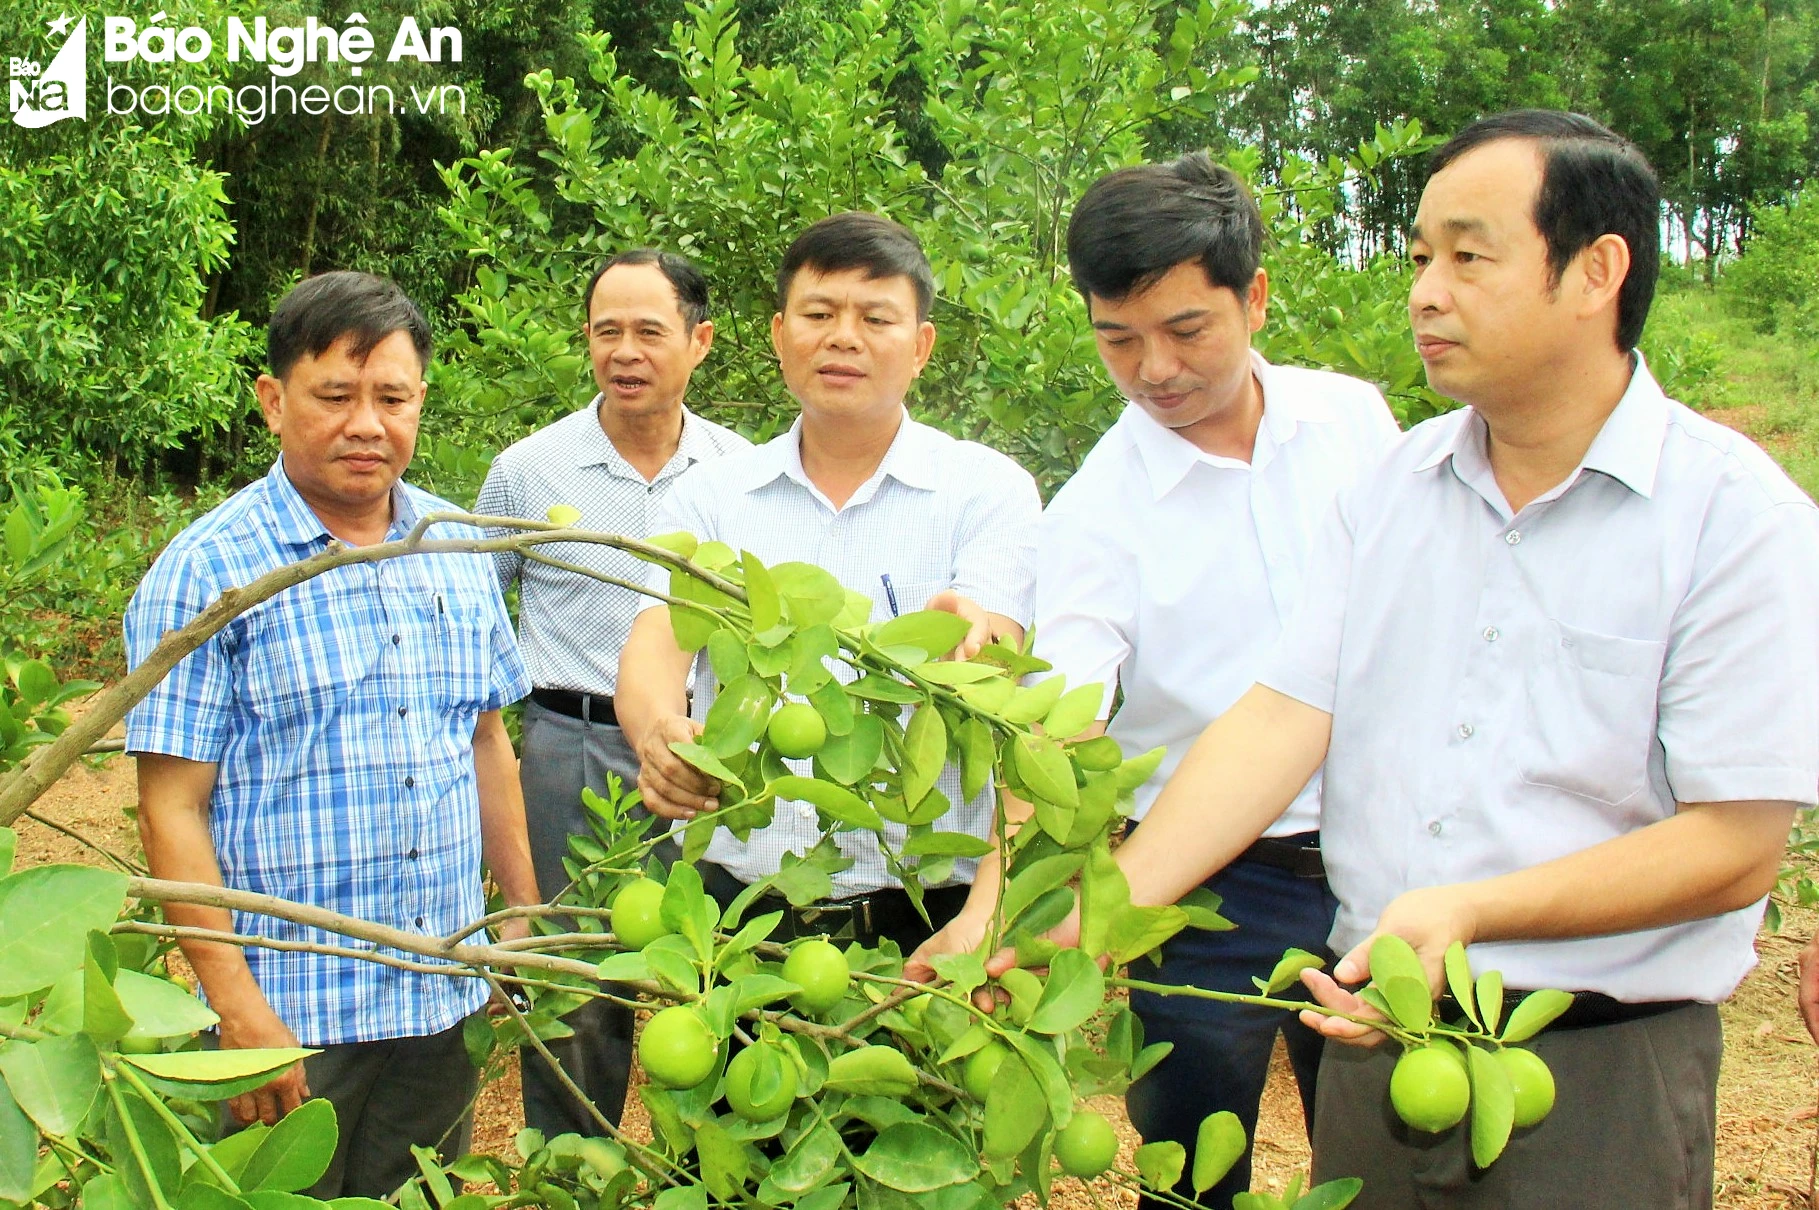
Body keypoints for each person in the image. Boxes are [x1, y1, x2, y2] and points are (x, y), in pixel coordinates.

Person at [928, 111, 1819, 1207]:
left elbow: (1735, 845)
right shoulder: (1395, 490)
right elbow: (1276, 722)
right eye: (1417, 257)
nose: (1425, 292)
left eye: (1467, 257)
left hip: (1588, 1065)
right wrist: (1080, 920)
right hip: (1375, 1038)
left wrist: (1473, 909)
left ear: (1594, 271)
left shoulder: (1733, 518)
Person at [916, 154, 1399, 1205]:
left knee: (1386, 1144)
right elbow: (1063, 723)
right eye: (1117, 339)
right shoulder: (1098, 509)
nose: (1153, 369)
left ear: (1255, 296)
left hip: (1389, 847)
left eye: (1185, 330)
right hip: (1206, 875)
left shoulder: (1355, 424)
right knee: (1190, 1156)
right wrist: (997, 908)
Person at [126, 271, 541, 1200]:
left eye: (391, 398)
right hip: (294, 1006)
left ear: (419, 402)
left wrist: (516, 907)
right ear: (275, 401)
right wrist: (239, 1009)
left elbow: (484, 741)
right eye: (335, 396)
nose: (367, 424)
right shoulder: (209, 572)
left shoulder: (453, 545)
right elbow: (172, 806)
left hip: (438, 988)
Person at [615, 211, 1041, 953]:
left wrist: (971, 634)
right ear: (781, 335)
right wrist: (658, 732)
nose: (843, 337)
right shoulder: (708, 498)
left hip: (930, 910)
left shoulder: (986, 490)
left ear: (921, 348)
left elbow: (996, 633)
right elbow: (656, 642)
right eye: (819, 314)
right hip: (744, 912)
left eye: (876, 318)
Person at [474, 248, 749, 1137]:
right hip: (566, 751)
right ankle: (571, 1174)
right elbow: (478, 609)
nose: (625, 352)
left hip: (696, 763)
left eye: (648, 331)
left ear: (698, 341)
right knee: (576, 990)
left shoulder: (740, 475)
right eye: (606, 332)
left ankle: (698, 1175)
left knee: (700, 977)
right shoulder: (529, 470)